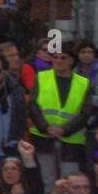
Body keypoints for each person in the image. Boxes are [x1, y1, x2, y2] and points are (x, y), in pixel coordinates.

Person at [28, 47, 92, 183]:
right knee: (47, 180)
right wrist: (45, 127)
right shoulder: (41, 77)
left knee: (70, 182)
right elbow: (33, 106)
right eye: (55, 57)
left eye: (63, 57)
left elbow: (85, 112)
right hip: (44, 137)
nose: (58, 61)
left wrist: (65, 129)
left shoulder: (83, 82)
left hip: (71, 140)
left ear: (71, 61)